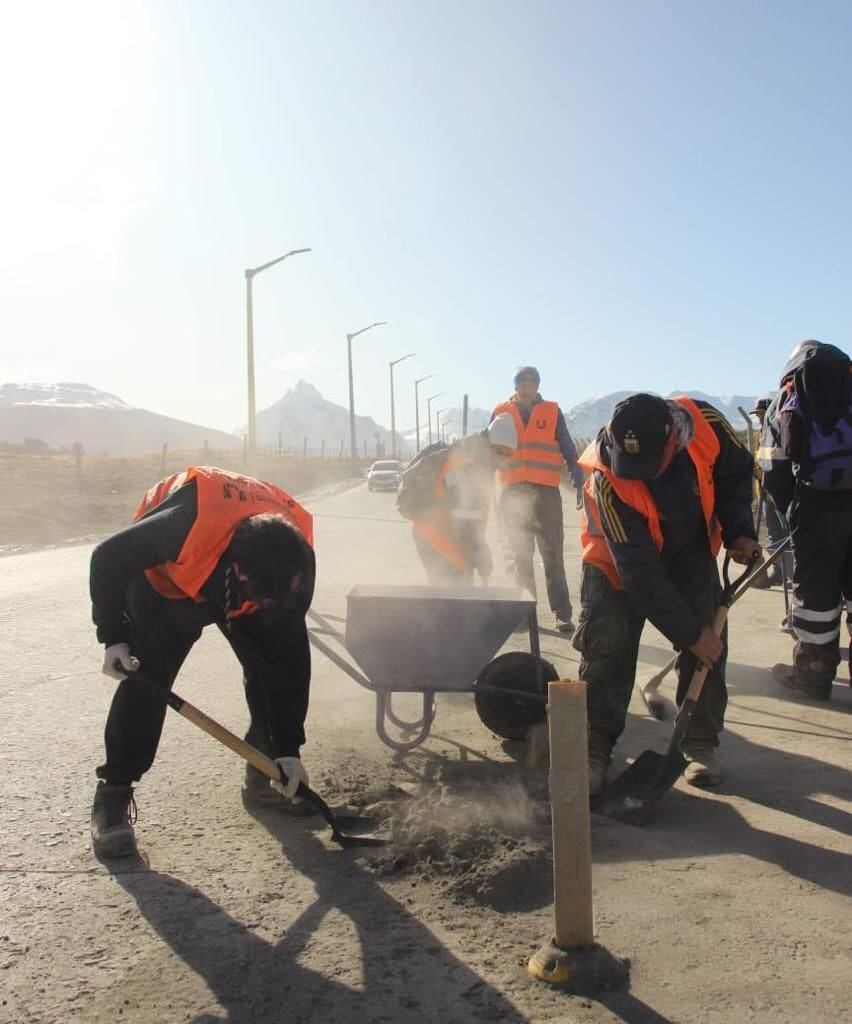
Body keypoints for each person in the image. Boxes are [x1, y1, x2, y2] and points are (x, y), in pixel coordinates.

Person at [89, 466, 316, 858]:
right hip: (168, 586)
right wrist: (114, 638)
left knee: (271, 668)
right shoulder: (181, 528)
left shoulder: (296, 558)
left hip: (237, 575)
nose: (273, 603)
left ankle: (265, 776)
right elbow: (107, 557)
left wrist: (288, 748)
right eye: (265, 597)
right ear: (240, 572)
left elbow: (289, 661)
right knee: (148, 681)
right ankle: (112, 798)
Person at [574, 393, 760, 795]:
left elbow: (735, 471)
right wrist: (690, 633)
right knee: (607, 646)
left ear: (673, 439)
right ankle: (594, 747)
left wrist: (739, 530)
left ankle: (699, 745)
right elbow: (641, 576)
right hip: (616, 562)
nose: (635, 474)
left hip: (689, 546)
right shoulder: (606, 478)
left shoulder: (704, 423)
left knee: (709, 644)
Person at [763, 340, 852, 701]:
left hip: (815, 507)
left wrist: (791, 513)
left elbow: (773, 471)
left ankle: (814, 678)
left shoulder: (785, 398)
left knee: (817, 599)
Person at [492, 367, 584, 634]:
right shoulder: (501, 411)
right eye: (522, 383)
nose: (527, 388)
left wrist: (578, 480)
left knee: (552, 554)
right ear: (516, 386)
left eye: (531, 384)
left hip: (545, 494)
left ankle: (562, 614)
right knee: (520, 555)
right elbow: (488, 447)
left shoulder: (552, 411)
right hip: (512, 493)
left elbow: (567, 446)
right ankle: (523, 614)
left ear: (538, 387)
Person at [410, 414, 517, 584]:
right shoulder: (469, 466)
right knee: (453, 592)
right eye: (500, 452)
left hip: (441, 533)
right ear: (488, 445)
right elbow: (464, 518)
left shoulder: (479, 462)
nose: (503, 458)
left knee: (456, 588)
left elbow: (471, 520)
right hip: (436, 533)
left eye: (508, 454)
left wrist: (479, 551)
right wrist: (480, 554)